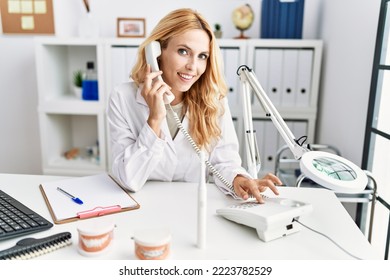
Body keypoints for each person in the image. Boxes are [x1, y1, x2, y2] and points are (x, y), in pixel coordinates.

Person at [107, 8, 281, 203]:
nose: (193, 66)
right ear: (156, 52)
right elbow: (127, 179)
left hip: (192, 207)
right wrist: (154, 119)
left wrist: (239, 179)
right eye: (183, 51)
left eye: (202, 56)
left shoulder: (213, 100)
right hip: (142, 207)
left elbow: (225, 162)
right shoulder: (122, 97)